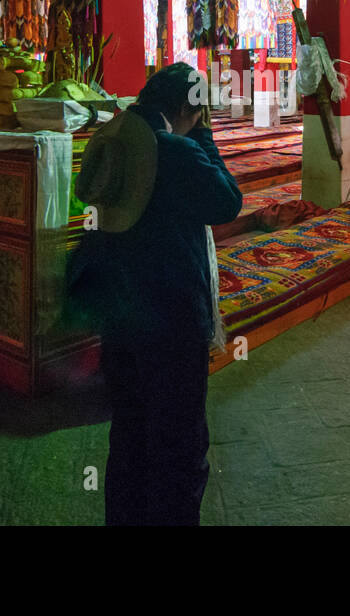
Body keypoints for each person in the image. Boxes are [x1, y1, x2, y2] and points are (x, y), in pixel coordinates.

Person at [67, 62, 242, 526]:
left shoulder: (112, 139)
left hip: (118, 317)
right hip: (170, 319)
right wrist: (201, 137)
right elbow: (227, 201)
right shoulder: (175, 151)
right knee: (179, 445)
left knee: (129, 436)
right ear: (191, 106)